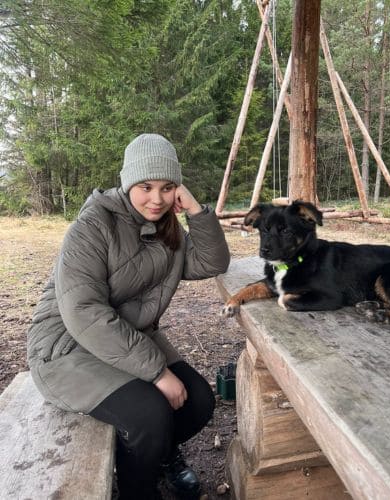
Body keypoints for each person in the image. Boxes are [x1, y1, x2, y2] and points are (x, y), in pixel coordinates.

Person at [27, 133, 230, 499]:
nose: (157, 199)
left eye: (167, 187)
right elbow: (83, 312)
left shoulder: (167, 226)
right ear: (127, 183)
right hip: (66, 346)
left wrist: (197, 212)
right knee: (149, 413)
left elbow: (212, 262)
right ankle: (139, 489)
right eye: (146, 187)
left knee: (199, 400)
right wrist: (158, 372)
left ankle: (156, 453)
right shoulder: (92, 227)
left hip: (127, 333)